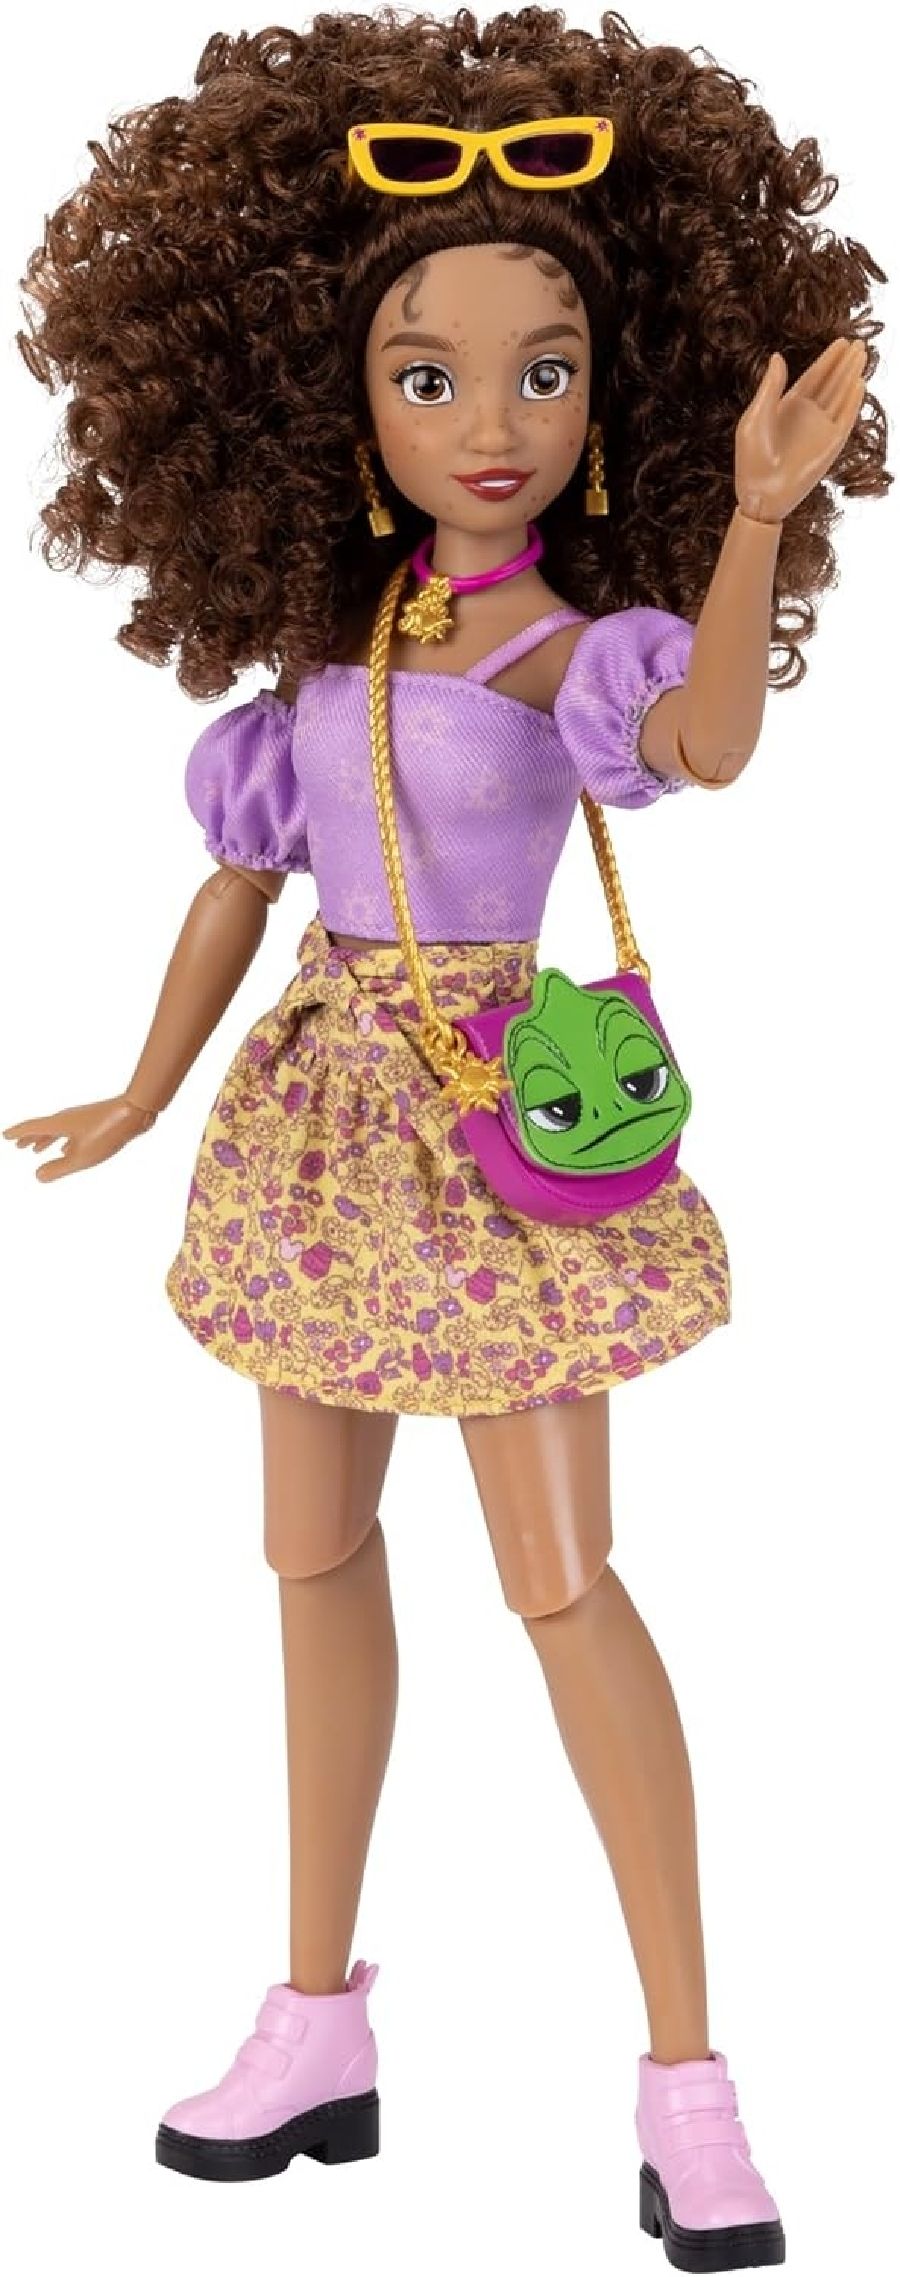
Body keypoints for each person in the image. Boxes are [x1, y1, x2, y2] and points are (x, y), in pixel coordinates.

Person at [3, 10, 889, 2265]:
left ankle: (689, 2078)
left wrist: (758, 514)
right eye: (430, 375)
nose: (490, 425)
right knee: (309, 1556)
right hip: (319, 1127)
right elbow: (245, 875)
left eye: (543, 371)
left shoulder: (578, 652)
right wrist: (141, 1080)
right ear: (337, 401)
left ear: (611, 397)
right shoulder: (338, 641)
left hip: (499, 1127)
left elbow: (705, 746)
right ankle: (316, 2019)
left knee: (564, 1579)